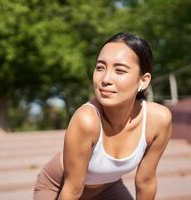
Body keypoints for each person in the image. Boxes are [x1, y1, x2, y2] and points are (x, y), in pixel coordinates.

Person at [33, 32, 172, 200]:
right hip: (59, 188)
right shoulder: (86, 120)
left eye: (119, 70)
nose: (105, 79)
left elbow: (146, 182)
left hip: (108, 189)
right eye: (100, 67)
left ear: (143, 80)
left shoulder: (158, 121)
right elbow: (72, 191)